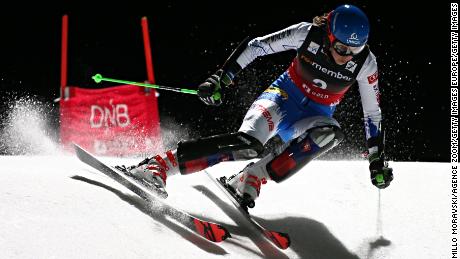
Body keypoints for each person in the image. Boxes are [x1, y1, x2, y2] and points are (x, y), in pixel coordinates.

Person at [127, 4, 394, 208]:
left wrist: (376, 159)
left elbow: (372, 112)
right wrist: (222, 77)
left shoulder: (365, 63)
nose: (344, 56)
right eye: (341, 47)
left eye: (353, 51)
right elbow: (257, 47)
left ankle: (251, 176)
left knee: (330, 134)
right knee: (248, 145)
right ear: (329, 33)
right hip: (281, 99)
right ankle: (159, 165)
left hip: (311, 118)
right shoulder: (306, 34)